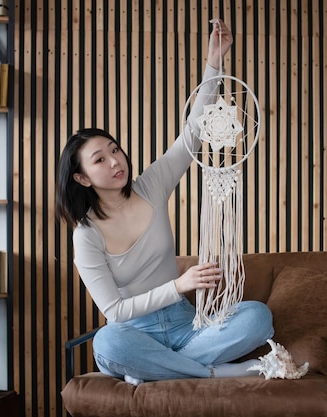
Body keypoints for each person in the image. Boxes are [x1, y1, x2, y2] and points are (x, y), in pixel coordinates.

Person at [55, 20, 274, 385]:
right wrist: (180, 284)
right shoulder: (86, 235)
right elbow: (115, 311)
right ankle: (214, 372)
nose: (115, 161)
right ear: (81, 178)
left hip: (185, 325)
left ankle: (160, 370)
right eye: (99, 160)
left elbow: (192, 132)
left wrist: (214, 63)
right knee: (107, 343)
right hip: (135, 333)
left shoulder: (150, 186)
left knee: (257, 316)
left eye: (114, 149)